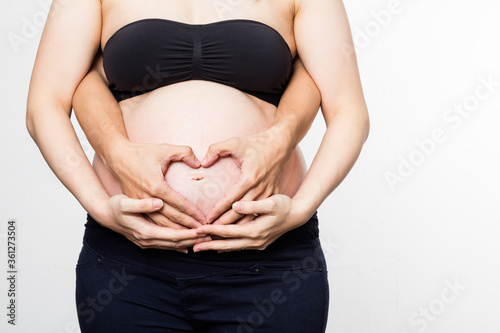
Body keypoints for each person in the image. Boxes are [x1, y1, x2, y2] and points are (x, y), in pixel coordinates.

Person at [26, 0, 369, 332]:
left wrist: (300, 209)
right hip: (129, 264)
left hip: (270, 264)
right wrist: (99, 206)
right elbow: (45, 105)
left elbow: (348, 112)